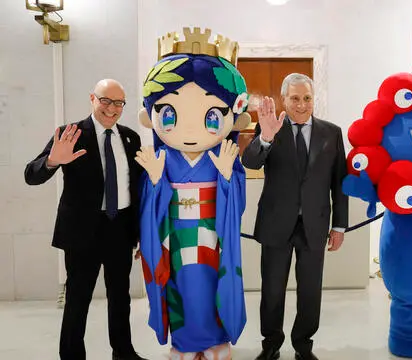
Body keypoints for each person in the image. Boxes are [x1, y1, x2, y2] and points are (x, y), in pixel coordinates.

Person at [135, 28, 251, 360]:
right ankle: (184, 343)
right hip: (174, 238)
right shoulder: (162, 158)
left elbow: (236, 206)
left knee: (212, 287)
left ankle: (215, 340)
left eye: (212, 116)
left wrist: (229, 179)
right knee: (180, 290)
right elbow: (149, 209)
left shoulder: (223, 154)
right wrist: (156, 183)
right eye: (170, 114)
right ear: (152, 114)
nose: (188, 130)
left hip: (213, 237)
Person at [24, 79, 146, 360]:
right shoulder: (70, 134)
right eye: (105, 100)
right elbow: (32, 174)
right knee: (78, 299)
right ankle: (71, 355)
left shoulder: (130, 137)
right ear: (93, 98)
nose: (112, 109)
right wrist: (53, 161)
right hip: (83, 233)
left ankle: (123, 352)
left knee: (120, 297)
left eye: (118, 103)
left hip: (120, 228)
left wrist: (139, 232)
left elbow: (135, 187)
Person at [242, 73, 349, 360]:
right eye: (294, 98)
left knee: (310, 292)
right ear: (284, 99)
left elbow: (340, 182)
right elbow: (250, 161)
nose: (301, 104)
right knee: (272, 290)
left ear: (314, 99)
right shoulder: (270, 128)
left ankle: (303, 345)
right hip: (276, 224)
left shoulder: (332, 132)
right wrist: (265, 137)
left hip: (314, 226)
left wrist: (339, 225)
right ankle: (271, 344)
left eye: (307, 98)